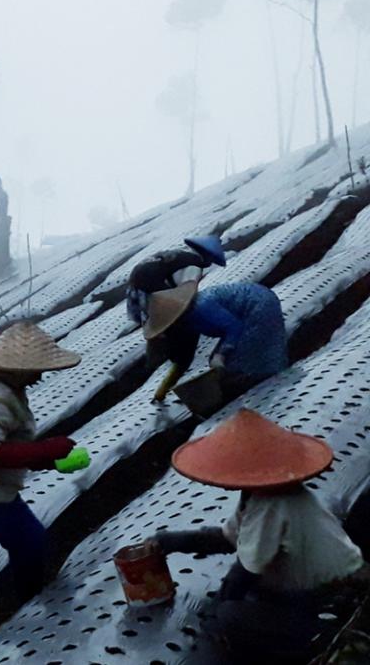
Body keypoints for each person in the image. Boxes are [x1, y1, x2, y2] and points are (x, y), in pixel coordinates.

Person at [146, 409, 368, 662]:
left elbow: (244, 573)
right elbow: (228, 538)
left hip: (331, 596)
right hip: (308, 587)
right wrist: (169, 541)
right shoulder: (259, 495)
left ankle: (325, 642)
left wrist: (213, 621)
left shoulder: (274, 503)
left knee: (231, 616)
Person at [0, 321, 88, 651]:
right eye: (34, 370)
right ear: (16, 368)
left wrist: (44, 459)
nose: (39, 376)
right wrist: (44, 450)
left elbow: (9, 448)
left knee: (32, 543)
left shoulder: (5, 387)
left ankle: (29, 605)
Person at [143, 281, 287, 404]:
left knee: (245, 358)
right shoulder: (188, 321)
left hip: (258, 307)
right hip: (247, 312)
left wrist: (222, 354)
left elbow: (233, 327)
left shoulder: (202, 307)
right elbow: (184, 360)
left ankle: (272, 385)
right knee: (230, 363)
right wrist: (163, 390)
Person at [127, 235, 226, 326]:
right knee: (171, 314)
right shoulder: (193, 265)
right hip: (149, 278)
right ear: (207, 257)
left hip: (136, 274)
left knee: (151, 312)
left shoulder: (181, 253)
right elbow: (185, 291)